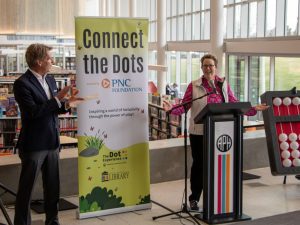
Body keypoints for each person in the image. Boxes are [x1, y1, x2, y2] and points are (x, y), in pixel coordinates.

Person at [163, 53, 269, 211]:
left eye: (210, 65)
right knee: (199, 165)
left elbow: (233, 103)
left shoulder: (223, 85)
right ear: (201, 67)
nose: (208, 68)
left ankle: (215, 197)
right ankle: (194, 198)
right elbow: (185, 105)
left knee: (217, 165)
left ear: (216, 67)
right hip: (199, 132)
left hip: (220, 132)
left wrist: (252, 108)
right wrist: (171, 109)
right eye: (205, 65)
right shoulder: (195, 85)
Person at [13, 43, 83, 225]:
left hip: (52, 142)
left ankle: (52, 221)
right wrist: (59, 98)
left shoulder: (50, 80)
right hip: (34, 145)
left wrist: (67, 105)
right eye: (49, 58)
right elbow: (34, 113)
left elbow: (52, 110)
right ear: (38, 61)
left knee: (53, 188)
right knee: (26, 190)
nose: (52, 61)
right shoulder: (22, 84)